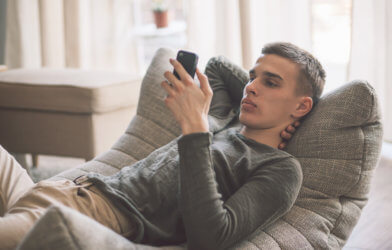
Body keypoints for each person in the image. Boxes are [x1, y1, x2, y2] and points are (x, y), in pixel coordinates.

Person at [0, 42, 325, 250]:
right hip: (63, 190)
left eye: (270, 82)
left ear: (302, 106)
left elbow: (212, 238)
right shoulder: (224, 119)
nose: (251, 87)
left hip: (91, 217)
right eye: (253, 77)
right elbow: (218, 66)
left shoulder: (280, 169)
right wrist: (262, 107)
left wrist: (196, 129)